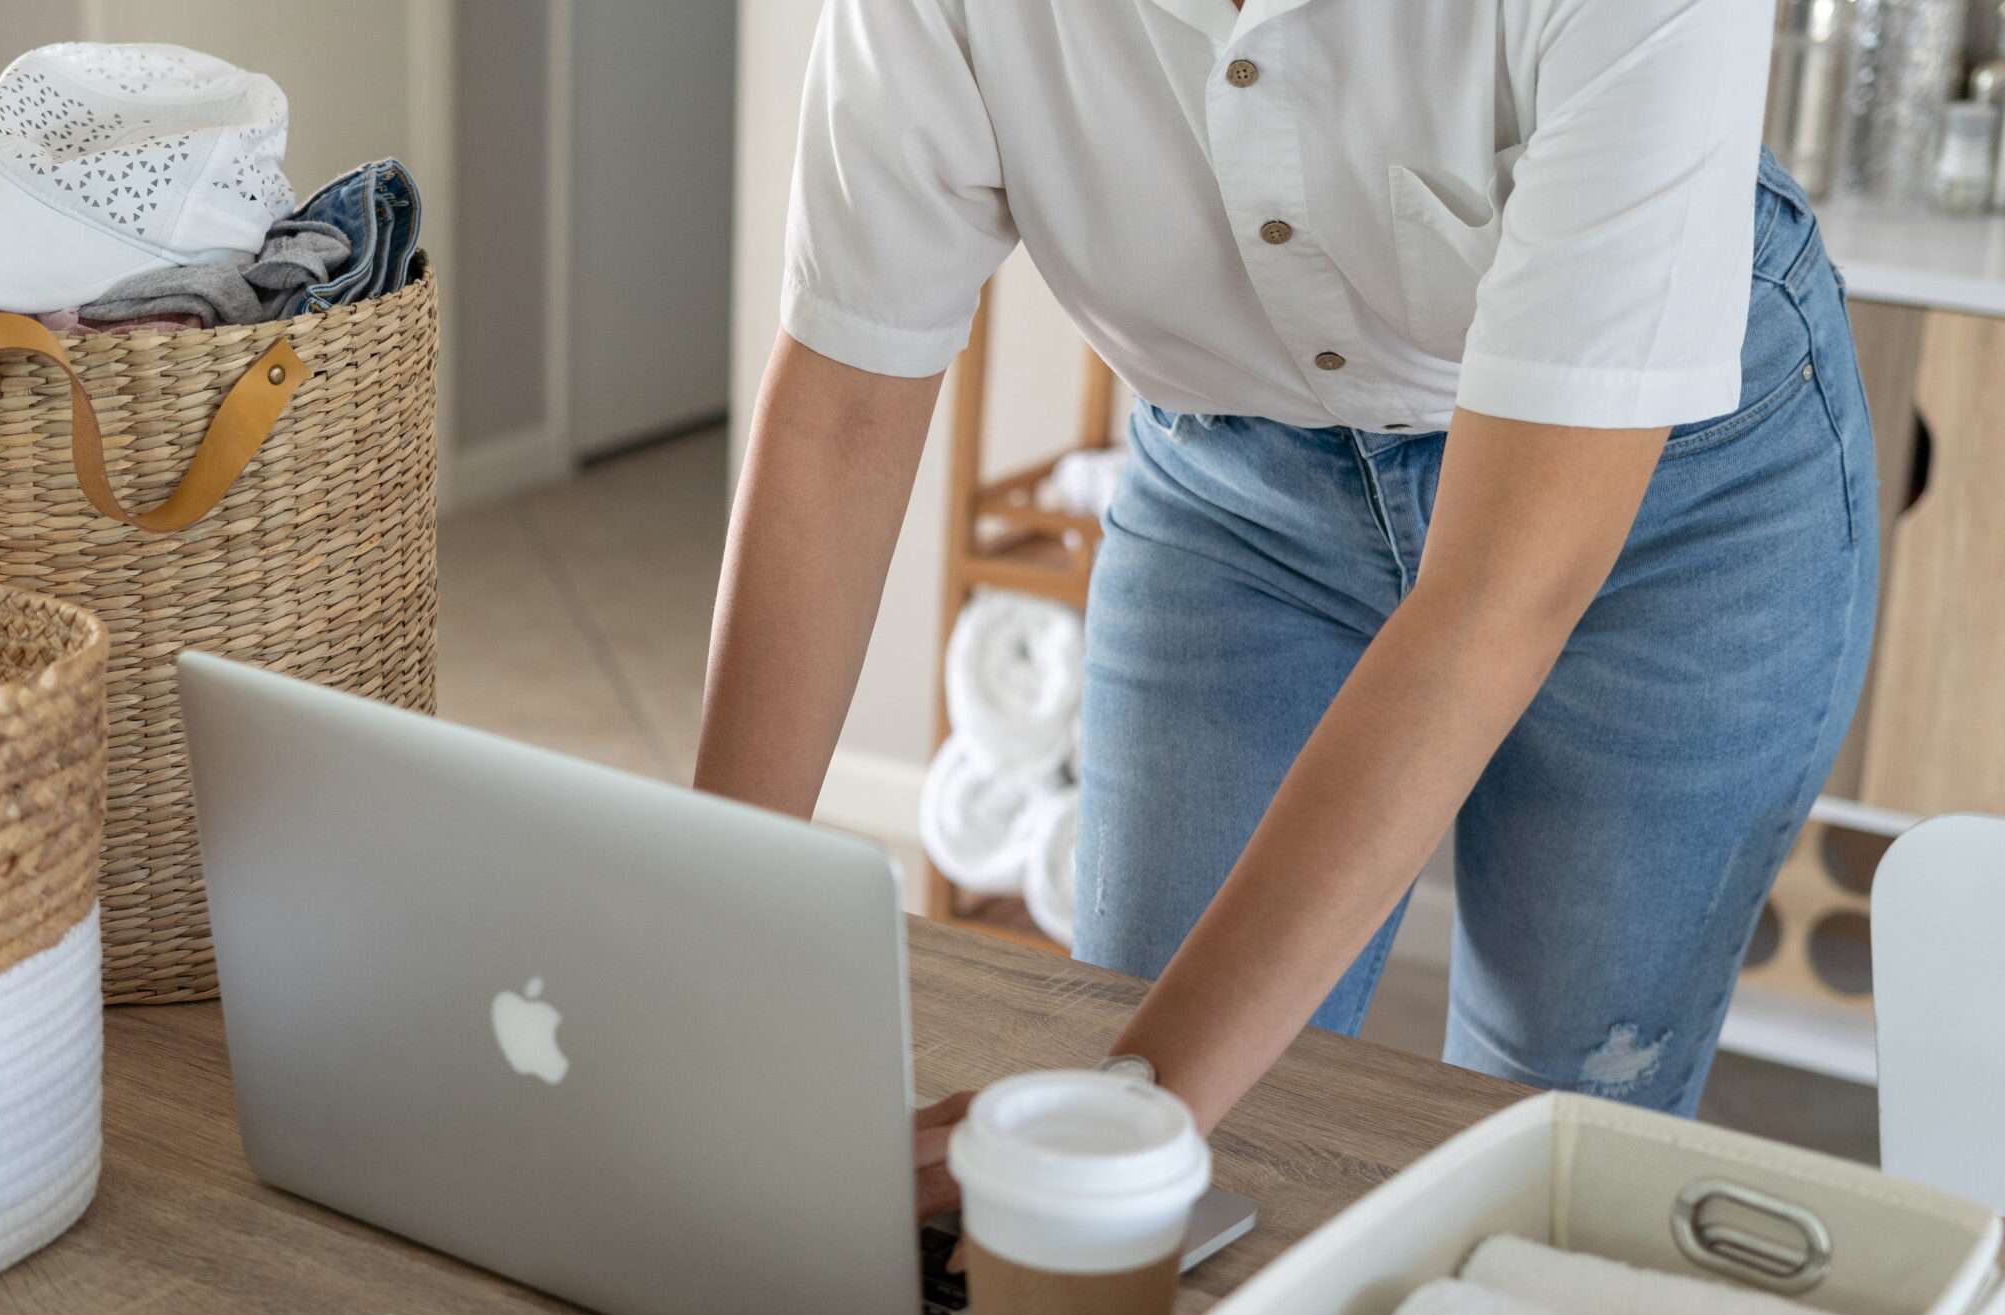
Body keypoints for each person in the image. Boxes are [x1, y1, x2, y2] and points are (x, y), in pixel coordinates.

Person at [692, 0, 1876, 1195]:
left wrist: (1125, 1109)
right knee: (1160, 1069)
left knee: (1548, 1127)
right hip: (1238, 486)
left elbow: (1496, 594)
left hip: (1668, 508)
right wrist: (702, 917)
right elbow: (840, 422)